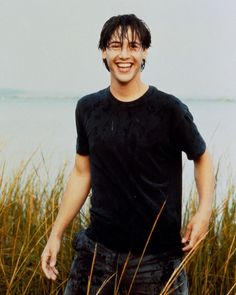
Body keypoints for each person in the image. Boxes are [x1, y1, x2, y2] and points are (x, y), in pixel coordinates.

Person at [41, 14, 214, 294]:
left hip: (156, 262)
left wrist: (204, 211)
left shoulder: (169, 110)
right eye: (115, 46)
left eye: (133, 46)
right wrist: (56, 234)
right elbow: (81, 173)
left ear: (144, 52)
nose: (124, 55)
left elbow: (202, 158)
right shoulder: (87, 108)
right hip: (96, 256)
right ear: (103, 52)